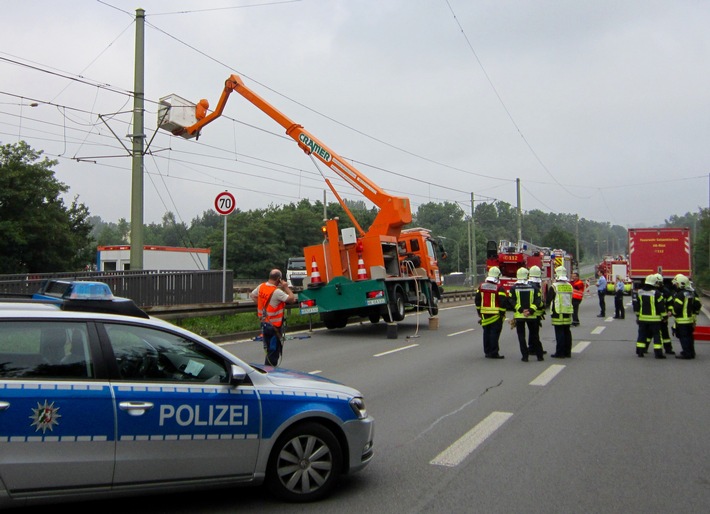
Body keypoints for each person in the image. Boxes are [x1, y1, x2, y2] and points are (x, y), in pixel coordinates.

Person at [250, 269, 296, 366]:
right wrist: (286, 287)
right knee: (274, 352)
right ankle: (269, 372)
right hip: (274, 326)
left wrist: (261, 307)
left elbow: (252, 295)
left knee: (269, 349)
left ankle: (268, 369)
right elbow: (292, 299)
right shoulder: (277, 292)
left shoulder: (261, 287)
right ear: (279, 279)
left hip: (264, 324)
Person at [508, 267, 544, 362]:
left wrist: (521, 310)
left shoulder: (513, 288)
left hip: (520, 316)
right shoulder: (534, 288)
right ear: (527, 276)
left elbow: (511, 301)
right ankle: (539, 356)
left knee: (521, 336)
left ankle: (525, 356)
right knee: (534, 335)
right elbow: (538, 300)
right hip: (532, 316)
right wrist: (530, 311)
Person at [474, 266, 508, 359]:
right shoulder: (499, 288)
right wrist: (502, 314)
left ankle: (487, 351)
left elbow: (477, 300)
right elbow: (502, 302)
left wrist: (479, 311)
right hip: (496, 314)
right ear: (497, 276)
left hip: (484, 314)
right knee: (494, 333)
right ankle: (494, 352)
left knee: (486, 332)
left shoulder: (481, 286)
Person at [632, 274, 665, 358]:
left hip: (642, 319)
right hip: (655, 320)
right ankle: (658, 353)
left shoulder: (640, 292)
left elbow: (636, 305)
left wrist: (638, 316)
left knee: (642, 335)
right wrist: (664, 316)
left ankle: (640, 351)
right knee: (657, 336)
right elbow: (661, 306)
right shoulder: (656, 293)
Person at [669, 273, 701, 360]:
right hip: (689, 319)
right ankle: (691, 352)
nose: (675, 285)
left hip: (682, 320)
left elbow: (677, 308)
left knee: (683, 337)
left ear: (680, 284)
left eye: (676, 284)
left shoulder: (680, 294)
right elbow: (696, 305)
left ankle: (686, 353)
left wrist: (673, 313)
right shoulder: (691, 293)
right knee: (689, 336)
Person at [547, 266, 574, 358]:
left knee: (559, 333)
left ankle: (560, 353)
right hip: (568, 311)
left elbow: (548, 300)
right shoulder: (570, 286)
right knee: (567, 332)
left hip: (557, 312)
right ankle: (567, 352)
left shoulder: (554, 287)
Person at [527, 265, 547, 355]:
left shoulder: (527, 283)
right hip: (535, 312)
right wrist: (543, 306)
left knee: (532, 332)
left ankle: (532, 347)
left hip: (528, 312)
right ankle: (536, 349)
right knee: (534, 332)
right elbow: (538, 301)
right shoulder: (536, 286)